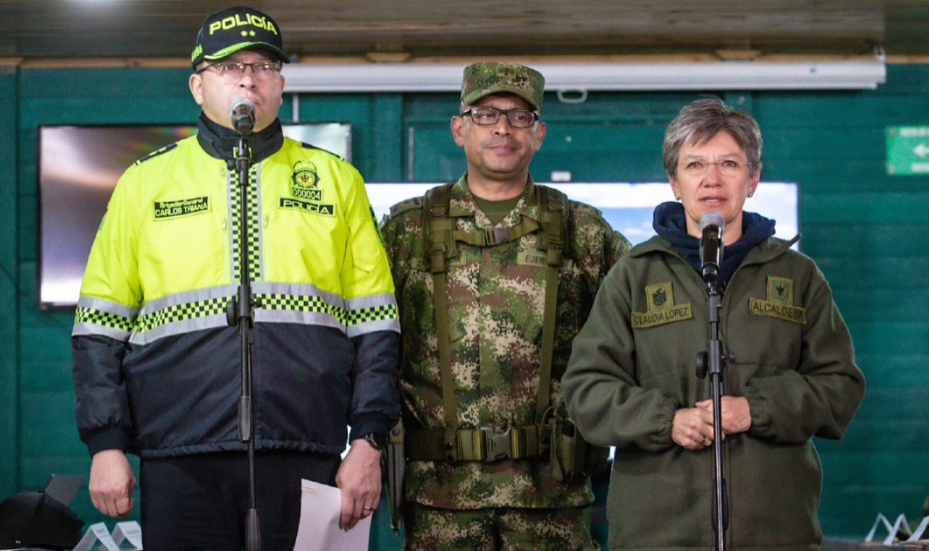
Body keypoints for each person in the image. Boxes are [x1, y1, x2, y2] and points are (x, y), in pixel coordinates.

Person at [70, 6, 399, 550]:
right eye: (229, 67)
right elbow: (98, 328)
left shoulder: (337, 182)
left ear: (281, 84)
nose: (249, 77)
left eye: (264, 65)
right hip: (181, 455)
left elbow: (377, 328)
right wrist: (106, 445)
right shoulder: (143, 183)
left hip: (304, 451)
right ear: (198, 86)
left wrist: (367, 442)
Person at [561, 97, 866, 551]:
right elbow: (585, 391)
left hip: (775, 535)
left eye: (729, 163)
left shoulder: (797, 275)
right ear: (674, 181)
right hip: (658, 536)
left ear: (753, 179)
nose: (712, 179)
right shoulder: (633, 274)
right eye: (695, 164)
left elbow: (840, 387)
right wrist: (668, 421)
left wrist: (755, 410)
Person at [380, 62, 630, 551]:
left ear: (539, 133)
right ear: (459, 129)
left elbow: (641, 328)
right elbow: (368, 346)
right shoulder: (406, 231)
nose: (502, 128)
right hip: (439, 501)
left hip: (551, 499)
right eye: (486, 114)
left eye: (519, 117)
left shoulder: (585, 231)